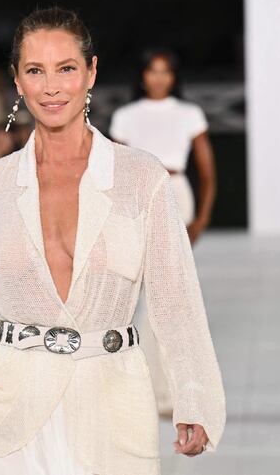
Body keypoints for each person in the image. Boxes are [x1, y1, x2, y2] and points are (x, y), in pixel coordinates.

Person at [0, 7, 225, 475]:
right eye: (35, 70)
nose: (51, 87)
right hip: (8, 405)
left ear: (92, 72)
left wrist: (193, 396)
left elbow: (174, 297)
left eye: (67, 69)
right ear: (17, 80)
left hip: (111, 395)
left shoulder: (141, 178)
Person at [109, 49, 217, 417]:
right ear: (142, 76)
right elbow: (115, 171)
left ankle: (164, 394)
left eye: (165, 72)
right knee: (144, 295)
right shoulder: (126, 116)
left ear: (174, 77)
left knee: (167, 294)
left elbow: (207, 173)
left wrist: (201, 217)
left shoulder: (189, 114)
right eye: (152, 71)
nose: (158, 78)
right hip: (137, 198)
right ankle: (150, 391)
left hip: (176, 192)